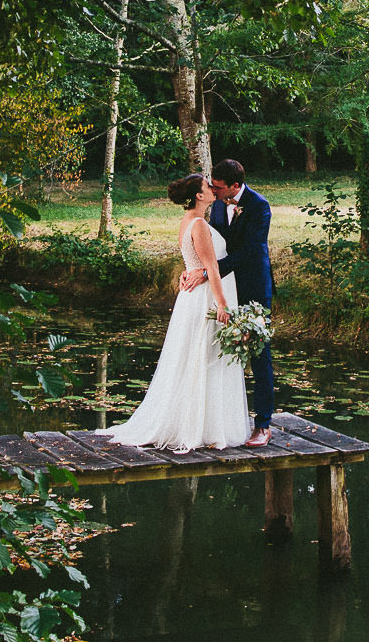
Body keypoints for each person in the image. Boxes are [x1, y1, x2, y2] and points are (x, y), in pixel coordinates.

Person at [96, 173, 253, 452]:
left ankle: (204, 422)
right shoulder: (199, 225)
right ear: (199, 196)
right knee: (203, 358)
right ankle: (199, 426)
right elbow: (212, 268)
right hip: (204, 299)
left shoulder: (188, 222)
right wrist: (223, 305)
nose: (212, 189)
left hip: (192, 298)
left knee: (197, 358)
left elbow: (195, 263)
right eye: (207, 187)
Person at [202, 157, 275, 446]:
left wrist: (210, 272)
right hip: (224, 290)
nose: (213, 191)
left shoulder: (259, 206)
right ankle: (218, 422)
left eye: (218, 187)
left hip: (253, 288)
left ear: (235, 186)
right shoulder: (219, 204)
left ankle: (263, 425)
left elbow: (248, 251)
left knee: (260, 356)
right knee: (217, 352)